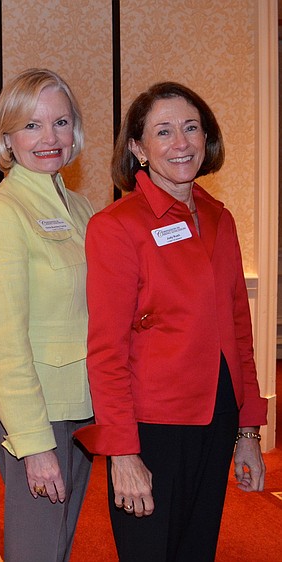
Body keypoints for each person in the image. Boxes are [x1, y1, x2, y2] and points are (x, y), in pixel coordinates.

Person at [74, 82, 267, 561]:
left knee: (196, 549)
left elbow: (240, 332)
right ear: (138, 148)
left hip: (217, 418)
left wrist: (248, 432)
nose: (181, 143)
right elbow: (106, 350)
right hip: (152, 426)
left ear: (207, 138)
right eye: (164, 131)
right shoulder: (117, 226)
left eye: (191, 128)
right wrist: (122, 452)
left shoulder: (219, 219)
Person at [0, 68, 94, 562]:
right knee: (36, 551)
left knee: (57, 547)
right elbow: (2, 341)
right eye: (32, 125)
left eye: (60, 122)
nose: (49, 138)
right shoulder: (3, 212)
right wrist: (34, 442)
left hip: (81, 406)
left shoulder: (82, 208)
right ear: (7, 138)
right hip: (34, 414)